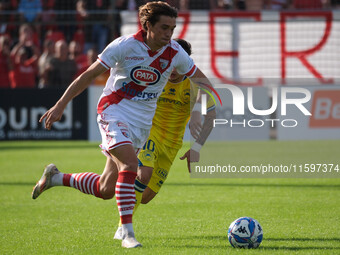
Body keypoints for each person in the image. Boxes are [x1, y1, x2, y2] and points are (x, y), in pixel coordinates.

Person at [32, 1, 214, 248]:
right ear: (147, 25)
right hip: (113, 111)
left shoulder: (175, 53)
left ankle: (55, 178)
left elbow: (205, 84)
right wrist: (62, 103)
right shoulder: (124, 46)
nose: (168, 34)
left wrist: (202, 104)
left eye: (172, 28)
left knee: (106, 188)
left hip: (141, 126)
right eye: (163, 27)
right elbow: (88, 75)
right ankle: (126, 232)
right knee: (130, 165)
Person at [113, 38, 216, 239]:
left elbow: (210, 113)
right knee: (144, 174)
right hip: (149, 133)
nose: (174, 68)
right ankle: (123, 228)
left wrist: (196, 147)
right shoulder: (155, 77)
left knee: (146, 197)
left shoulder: (194, 84)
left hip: (172, 144)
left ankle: (123, 183)